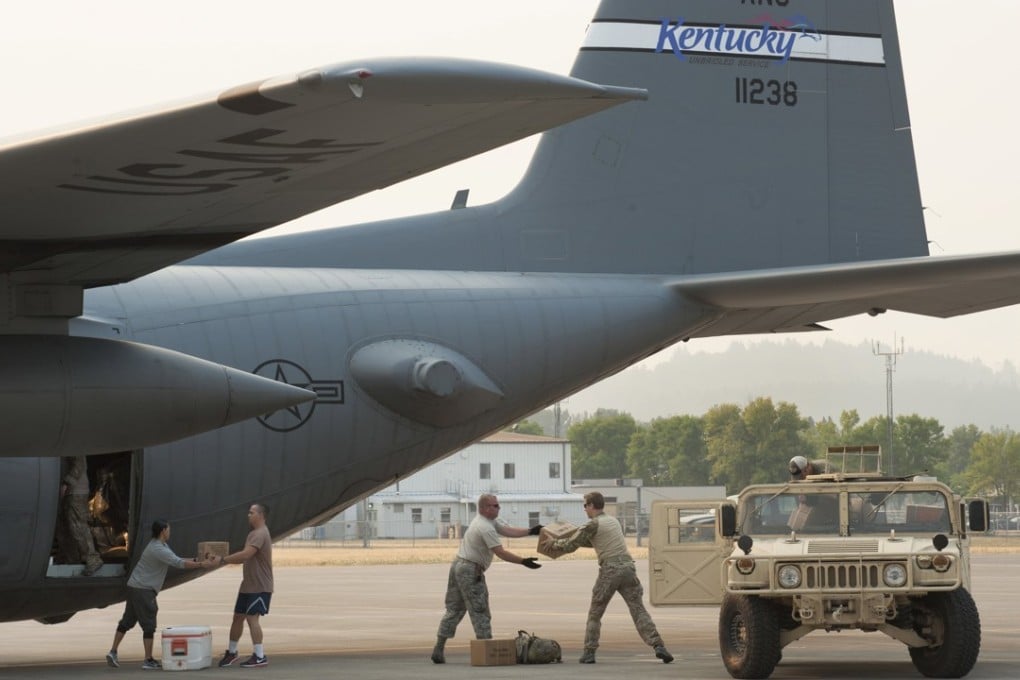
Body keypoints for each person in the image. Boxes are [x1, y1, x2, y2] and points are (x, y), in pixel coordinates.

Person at [552, 491, 673, 665]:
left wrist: (553, 543)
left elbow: (572, 545)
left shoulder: (592, 524)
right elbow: (593, 541)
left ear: (592, 505)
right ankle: (658, 645)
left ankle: (589, 652)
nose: (584, 509)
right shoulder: (613, 521)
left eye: (585, 505)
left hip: (610, 570)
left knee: (596, 612)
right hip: (628, 569)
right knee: (638, 610)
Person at [430, 493, 543, 664]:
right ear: (483, 508)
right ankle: (486, 651)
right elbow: (501, 552)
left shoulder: (485, 521)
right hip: (470, 570)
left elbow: (507, 530)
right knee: (480, 611)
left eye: (498, 505)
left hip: (459, 565)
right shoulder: (485, 527)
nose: (498, 508)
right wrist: (523, 561)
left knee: (453, 610)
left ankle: (438, 649)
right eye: (494, 506)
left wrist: (530, 531)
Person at [105, 519, 215, 669]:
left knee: (127, 621)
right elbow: (178, 563)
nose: (170, 531)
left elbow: (178, 559)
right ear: (163, 531)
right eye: (168, 529)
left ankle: (113, 652)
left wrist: (198, 560)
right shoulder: (158, 549)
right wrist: (201, 565)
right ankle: (148, 659)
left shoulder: (159, 545)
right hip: (144, 590)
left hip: (135, 586)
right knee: (149, 625)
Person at [216, 503, 274, 669]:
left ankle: (260, 655)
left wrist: (222, 559)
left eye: (252, 512)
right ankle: (232, 652)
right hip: (248, 585)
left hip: (260, 585)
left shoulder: (260, 533)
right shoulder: (254, 534)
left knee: (251, 618)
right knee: (238, 617)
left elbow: (246, 555)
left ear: (261, 515)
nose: (248, 515)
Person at [57, 455, 104, 576]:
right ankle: (72, 559)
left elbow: (79, 464)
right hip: (70, 493)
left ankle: (92, 559)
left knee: (78, 526)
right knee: (67, 527)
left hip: (75, 492)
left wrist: (66, 483)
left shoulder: (73, 442)